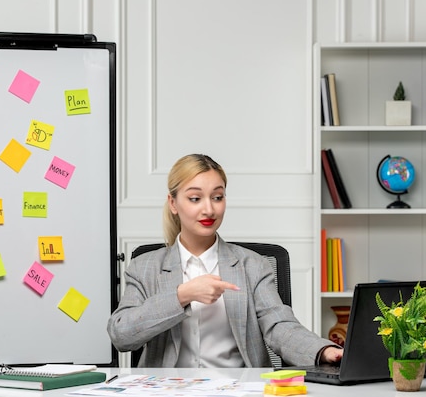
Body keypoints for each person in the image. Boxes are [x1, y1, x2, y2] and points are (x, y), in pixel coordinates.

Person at [107, 154, 343, 367]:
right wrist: (182, 295)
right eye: (195, 198)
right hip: (170, 391)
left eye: (217, 197)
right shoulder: (144, 267)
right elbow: (121, 335)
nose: (209, 209)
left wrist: (323, 350)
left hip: (239, 388)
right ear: (173, 203)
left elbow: (279, 326)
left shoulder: (253, 265)